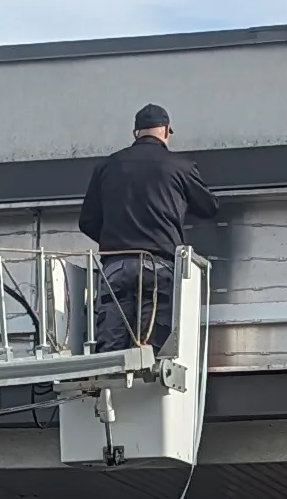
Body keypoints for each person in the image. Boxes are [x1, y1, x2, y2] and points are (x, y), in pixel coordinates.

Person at [77, 102, 220, 349]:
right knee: (150, 351)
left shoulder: (107, 166)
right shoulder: (179, 166)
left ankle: (108, 385)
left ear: (136, 132)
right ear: (165, 130)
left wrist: (114, 239)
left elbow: (87, 221)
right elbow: (209, 207)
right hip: (158, 265)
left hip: (116, 265)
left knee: (112, 349)